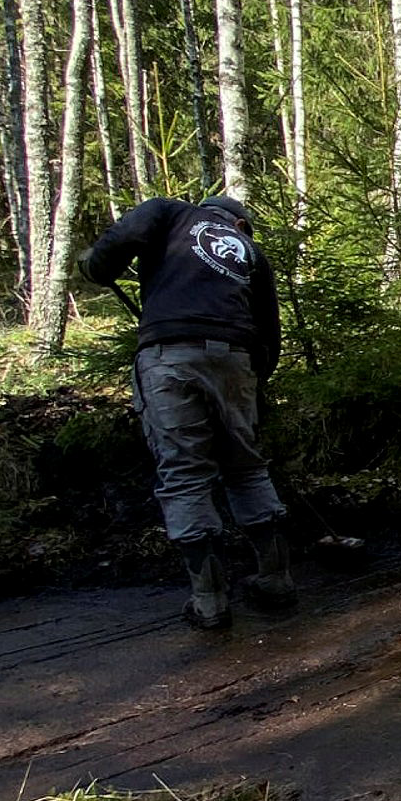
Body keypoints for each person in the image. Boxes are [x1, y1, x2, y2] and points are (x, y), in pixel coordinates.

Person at [77, 195, 291, 629]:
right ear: (236, 221)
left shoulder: (169, 212)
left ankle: (211, 601)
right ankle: (276, 578)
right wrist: (252, 382)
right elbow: (270, 329)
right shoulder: (251, 251)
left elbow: (123, 238)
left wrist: (94, 265)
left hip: (170, 356)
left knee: (185, 474)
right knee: (247, 468)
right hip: (236, 359)